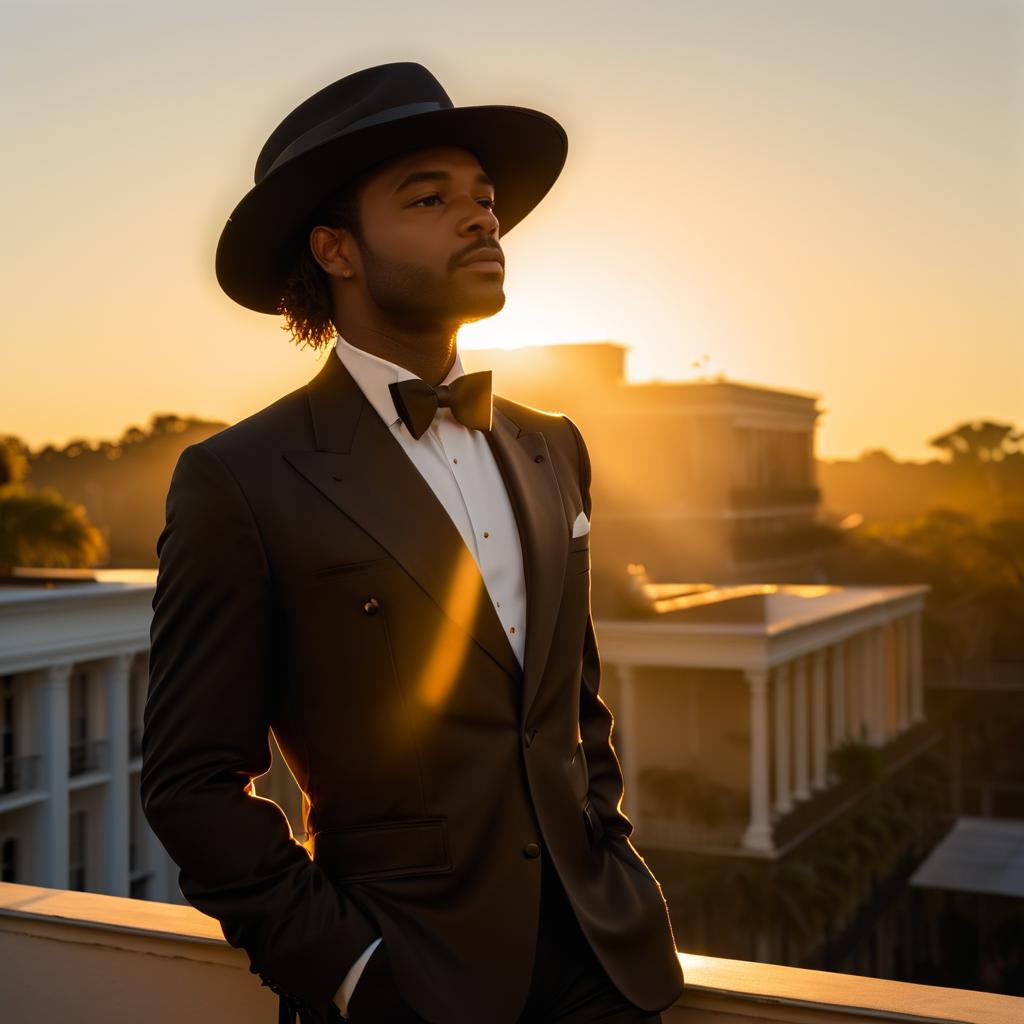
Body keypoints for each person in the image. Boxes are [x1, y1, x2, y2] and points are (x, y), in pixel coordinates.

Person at [141, 61, 685, 1024]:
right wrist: (351, 972)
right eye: (430, 199)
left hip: (607, 969)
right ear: (336, 250)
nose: (481, 219)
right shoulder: (240, 478)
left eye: (483, 199)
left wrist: (614, 868)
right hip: (410, 985)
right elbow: (191, 785)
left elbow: (572, 706)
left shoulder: (551, 443)